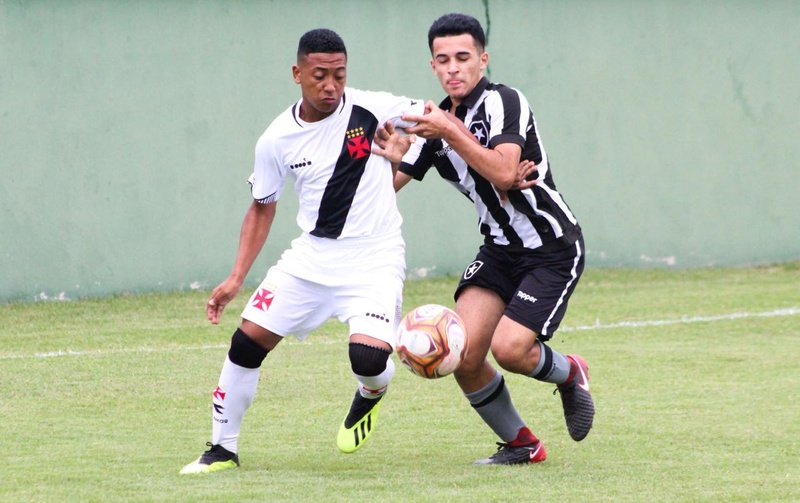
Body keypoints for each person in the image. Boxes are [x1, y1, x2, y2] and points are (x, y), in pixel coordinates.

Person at [180, 28, 422, 474]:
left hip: (374, 257)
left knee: (368, 360)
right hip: (311, 258)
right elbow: (261, 208)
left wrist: (404, 159)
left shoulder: (374, 109)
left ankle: (372, 391)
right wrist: (235, 278)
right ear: (297, 74)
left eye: (339, 75)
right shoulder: (276, 139)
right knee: (246, 342)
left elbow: (438, 122)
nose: (331, 86)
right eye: (320, 76)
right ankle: (221, 449)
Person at [375, 13, 595, 465]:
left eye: (463, 57)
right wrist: (385, 161)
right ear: (432, 66)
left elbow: (501, 170)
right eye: (443, 60)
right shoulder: (431, 126)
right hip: (498, 250)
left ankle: (570, 373)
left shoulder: (504, 102)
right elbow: (382, 191)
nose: (453, 68)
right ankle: (522, 445)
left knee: (510, 349)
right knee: (463, 353)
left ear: (482, 59)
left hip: (550, 247)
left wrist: (448, 132)